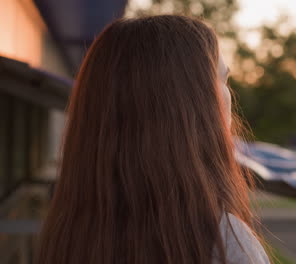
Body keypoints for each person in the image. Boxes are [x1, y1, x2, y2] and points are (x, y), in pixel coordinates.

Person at [36, 15, 270, 264]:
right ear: (189, 106)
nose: (228, 96)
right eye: (221, 79)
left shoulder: (70, 234)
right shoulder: (226, 244)